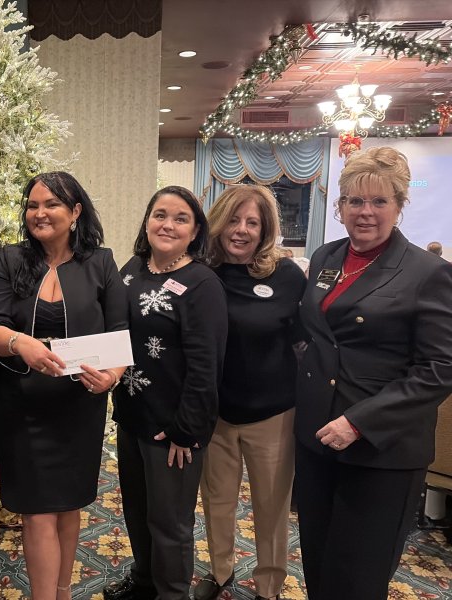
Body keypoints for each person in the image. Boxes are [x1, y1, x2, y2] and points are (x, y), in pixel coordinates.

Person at [294, 147, 452, 600]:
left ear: (399, 206)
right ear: (340, 206)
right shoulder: (326, 256)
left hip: (382, 452)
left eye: (379, 201)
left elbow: (439, 368)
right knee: (319, 564)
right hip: (318, 440)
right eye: (355, 201)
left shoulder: (428, 273)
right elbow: (315, 335)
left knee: (357, 577)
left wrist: (359, 422)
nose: (366, 212)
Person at [0, 172, 128, 600]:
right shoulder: (11, 259)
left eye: (51, 204)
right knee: (37, 513)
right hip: (24, 406)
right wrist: (19, 342)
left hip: (79, 405)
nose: (39, 213)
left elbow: (120, 331)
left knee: (68, 505)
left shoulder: (101, 262)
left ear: (75, 211)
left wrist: (112, 377)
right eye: (32, 205)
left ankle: (63, 592)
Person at [103, 186, 227, 600]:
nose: (167, 224)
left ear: (195, 231)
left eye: (180, 218)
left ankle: (172, 593)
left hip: (173, 428)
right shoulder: (132, 268)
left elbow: (206, 365)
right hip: (132, 414)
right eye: (159, 214)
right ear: (147, 221)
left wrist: (185, 429)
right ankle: (144, 582)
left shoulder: (201, 282)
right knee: (137, 513)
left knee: (170, 523)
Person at [193, 185, 306, 600]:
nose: (241, 230)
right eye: (234, 220)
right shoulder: (200, 273)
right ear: (218, 222)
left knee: (271, 508)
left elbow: (304, 340)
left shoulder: (287, 276)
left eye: (252, 223)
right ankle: (221, 573)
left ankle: (269, 586)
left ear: (265, 230)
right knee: (217, 502)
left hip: (273, 414)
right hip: (217, 414)